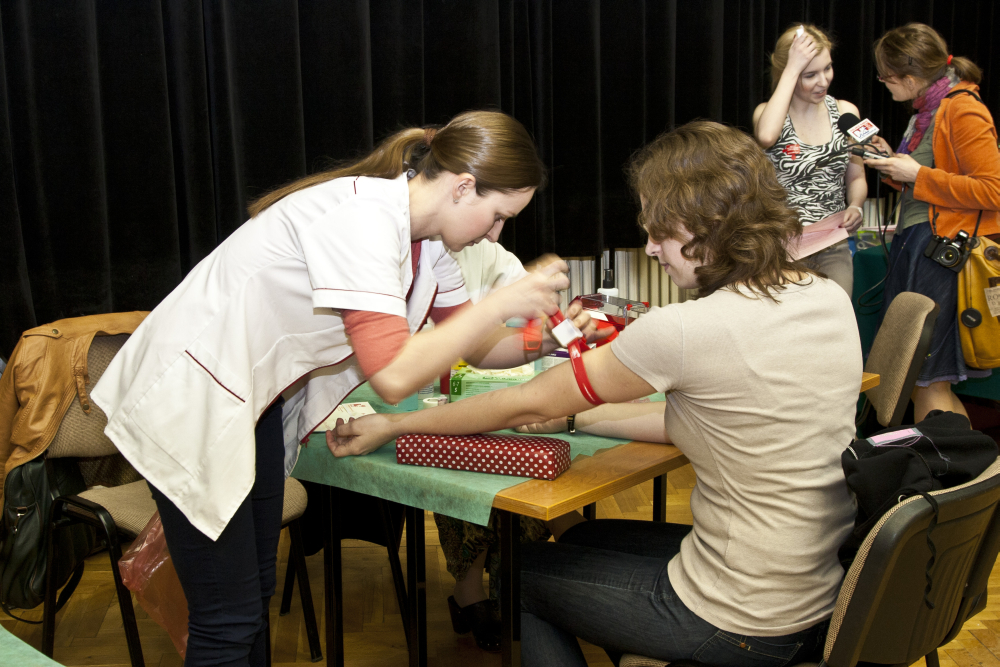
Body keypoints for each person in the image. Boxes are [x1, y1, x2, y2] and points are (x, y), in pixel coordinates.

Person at [328, 121, 863, 666]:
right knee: (585, 538)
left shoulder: (687, 330)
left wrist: (394, 424)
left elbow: (526, 400)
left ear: (703, 223)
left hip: (741, 620)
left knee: (518, 574)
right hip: (820, 597)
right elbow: (708, 423)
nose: (650, 247)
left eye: (658, 230)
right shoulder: (826, 297)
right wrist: (575, 421)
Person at [92, 110, 599, 667]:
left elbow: (476, 346)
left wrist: (542, 340)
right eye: (498, 216)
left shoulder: (430, 245)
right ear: (461, 187)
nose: (496, 234)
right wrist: (501, 302)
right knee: (226, 617)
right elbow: (394, 375)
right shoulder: (362, 220)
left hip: (251, 407)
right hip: (192, 397)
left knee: (252, 595)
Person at [435, 242, 587, 653]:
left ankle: (508, 582)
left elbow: (528, 328)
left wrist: (552, 328)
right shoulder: (418, 253)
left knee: (518, 450)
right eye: (496, 214)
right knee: (465, 457)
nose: (495, 229)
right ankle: (475, 588)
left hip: (492, 387)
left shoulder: (490, 253)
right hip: (434, 393)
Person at [863, 23, 1000, 422]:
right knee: (916, 378)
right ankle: (962, 456)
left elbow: (992, 190)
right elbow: (928, 179)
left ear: (909, 77)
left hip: (942, 253)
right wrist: (894, 166)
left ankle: (952, 459)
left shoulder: (962, 109)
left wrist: (917, 175)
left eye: (885, 77)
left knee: (927, 380)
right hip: (921, 245)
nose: (883, 84)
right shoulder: (927, 112)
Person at [753, 23, 868, 295]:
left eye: (827, 68)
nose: (823, 81)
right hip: (784, 247)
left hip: (833, 245)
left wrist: (856, 206)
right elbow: (766, 136)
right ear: (790, 74)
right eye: (810, 75)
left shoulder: (846, 112)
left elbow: (857, 176)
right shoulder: (767, 114)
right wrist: (792, 68)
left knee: (837, 315)